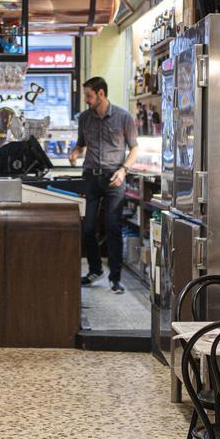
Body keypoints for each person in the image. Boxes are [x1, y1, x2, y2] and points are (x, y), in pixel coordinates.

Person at [67, 76, 139, 295]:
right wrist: (75, 152)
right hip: (90, 177)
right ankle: (95, 269)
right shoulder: (85, 119)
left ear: (101, 94)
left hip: (114, 178)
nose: (86, 100)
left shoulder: (123, 117)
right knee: (87, 228)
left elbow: (134, 149)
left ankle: (115, 278)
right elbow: (81, 144)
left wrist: (123, 170)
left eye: (89, 95)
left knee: (112, 227)